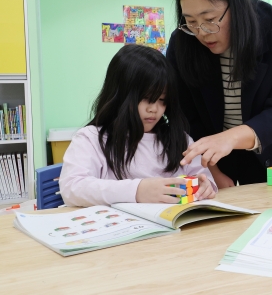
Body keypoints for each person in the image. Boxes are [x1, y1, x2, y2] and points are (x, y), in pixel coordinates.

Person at [166, 0, 272, 187]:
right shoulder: (183, 43)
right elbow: (184, 115)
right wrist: (213, 171)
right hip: (213, 162)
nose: (202, 33)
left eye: (210, 20)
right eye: (191, 22)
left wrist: (229, 139)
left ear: (236, 5)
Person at [60, 45, 219, 207]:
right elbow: (72, 187)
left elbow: (203, 179)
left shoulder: (180, 139)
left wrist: (205, 187)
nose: (154, 109)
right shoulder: (92, 138)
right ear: (120, 95)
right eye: (146, 98)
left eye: (162, 100)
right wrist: (137, 190)